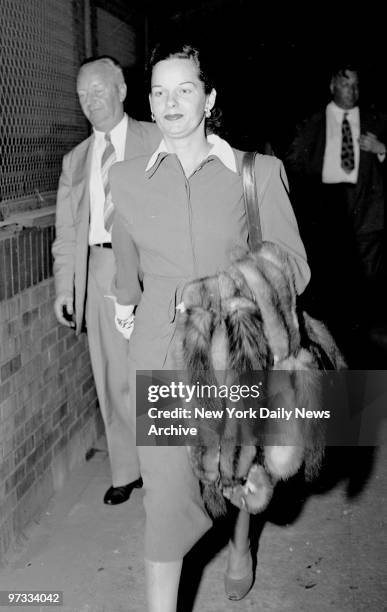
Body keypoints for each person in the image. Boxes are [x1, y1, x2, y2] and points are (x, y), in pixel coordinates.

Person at [109, 40, 310, 612]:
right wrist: (127, 306)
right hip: (160, 352)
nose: (171, 103)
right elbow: (127, 265)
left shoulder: (256, 174)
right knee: (167, 497)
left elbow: (294, 265)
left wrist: (224, 292)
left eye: (186, 89)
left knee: (237, 469)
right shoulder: (124, 179)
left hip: (236, 351)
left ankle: (242, 538)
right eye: (160, 91)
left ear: (209, 98)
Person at [52, 56, 160, 505]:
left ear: (120, 90)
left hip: (152, 268)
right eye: (81, 95)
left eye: (97, 90)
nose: (89, 101)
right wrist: (64, 287)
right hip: (99, 271)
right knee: (113, 377)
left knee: (156, 370)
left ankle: (166, 470)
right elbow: (68, 231)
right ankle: (126, 470)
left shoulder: (156, 139)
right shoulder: (76, 160)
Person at [286, 64, 387, 360]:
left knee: (365, 289)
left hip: (368, 216)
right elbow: (292, 165)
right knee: (332, 289)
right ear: (332, 86)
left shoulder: (377, 122)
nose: (352, 91)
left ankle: (364, 348)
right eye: (346, 85)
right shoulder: (311, 125)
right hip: (327, 216)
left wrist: (382, 149)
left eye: (357, 86)